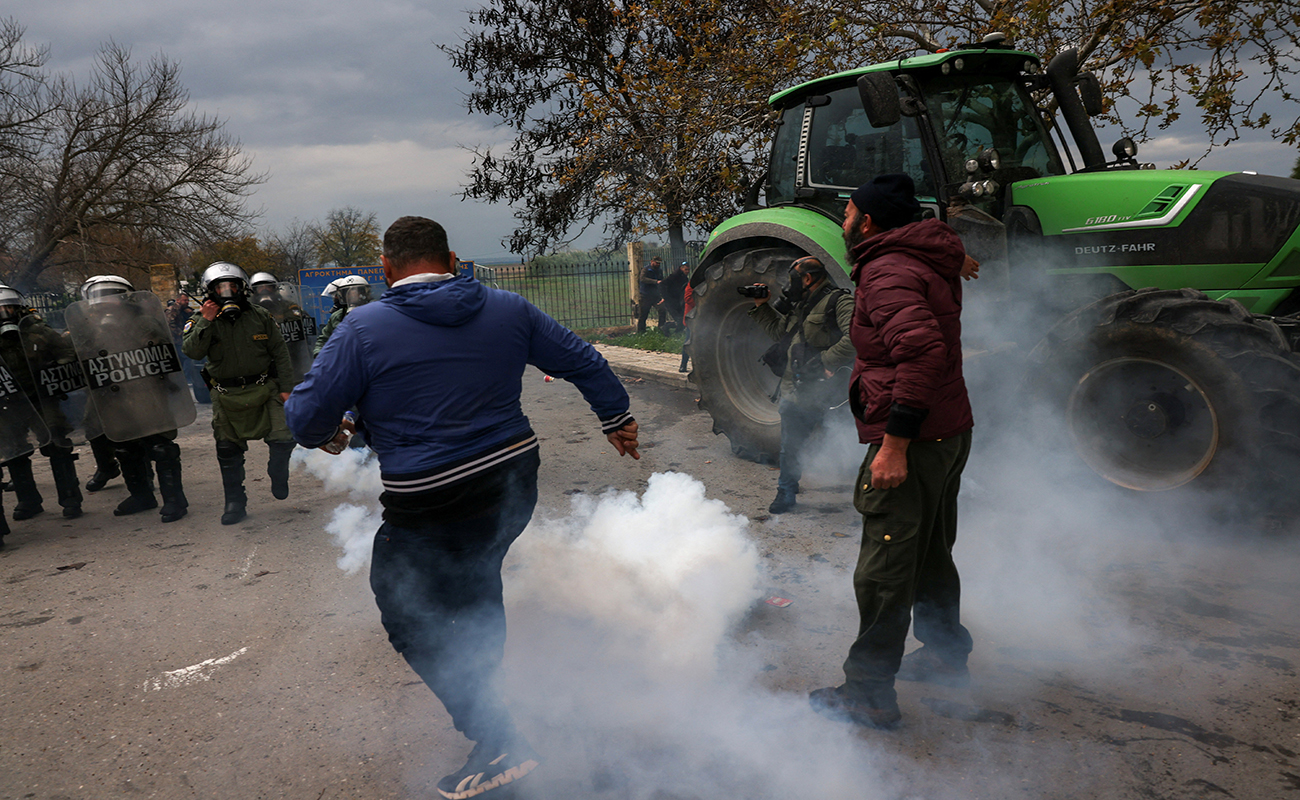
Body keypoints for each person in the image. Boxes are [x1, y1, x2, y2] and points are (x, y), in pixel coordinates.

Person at [285, 215, 640, 800]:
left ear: (386, 269)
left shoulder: (361, 327)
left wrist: (337, 423)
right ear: (452, 261)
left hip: (430, 497)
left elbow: (304, 419)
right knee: (476, 583)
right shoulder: (508, 307)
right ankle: (488, 688)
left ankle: (497, 735)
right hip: (511, 482)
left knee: (406, 613)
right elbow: (582, 358)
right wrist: (615, 417)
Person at [809, 173, 977, 730]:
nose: (844, 220)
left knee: (886, 567)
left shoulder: (887, 272)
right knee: (929, 553)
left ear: (869, 223)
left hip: (916, 439)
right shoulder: (922, 256)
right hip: (948, 429)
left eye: (848, 212)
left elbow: (921, 354)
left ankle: (869, 694)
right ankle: (947, 655)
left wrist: (895, 446)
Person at [182, 262, 297, 525]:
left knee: (283, 438)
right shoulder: (200, 320)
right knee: (227, 449)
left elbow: (280, 353)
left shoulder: (260, 316)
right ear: (210, 292)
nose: (227, 292)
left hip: (264, 388)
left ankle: (278, 474)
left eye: (232, 286)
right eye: (221, 288)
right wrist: (206, 320)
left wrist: (286, 389)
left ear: (242, 288)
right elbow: (192, 352)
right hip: (226, 393)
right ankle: (235, 501)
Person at [746, 256, 855, 514]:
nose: (789, 285)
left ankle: (871, 497)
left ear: (807, 278)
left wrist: (825, 361)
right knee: (790, 445)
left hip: (830, 391)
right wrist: (762, 306)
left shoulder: (839, 301)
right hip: (796, 389)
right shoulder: (801, 305)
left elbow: (856, 336)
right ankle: (786, 491)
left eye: (792, 279)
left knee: (845, 441)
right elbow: (780, 334)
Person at [78, 275, 188, 522]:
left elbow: (162, 352)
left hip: (146, 391)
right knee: (125, 447)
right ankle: (141, 495)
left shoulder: (143, 322)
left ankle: (174, 500)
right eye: (100, 297)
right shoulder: (89, 326)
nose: (105, 302)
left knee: (160, 446)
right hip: (113, 394)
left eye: (111, 296)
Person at [0, 284, 83, 519]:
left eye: (8, 308)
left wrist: (54, 371)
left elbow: (66, 353)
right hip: (9, 403)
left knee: (58, 444)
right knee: (14, 451)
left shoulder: (38, 331)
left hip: (41, 397)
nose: (4, 313)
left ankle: (70, 498)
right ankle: (28, 501)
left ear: (18, 308)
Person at [166, 292, 211, 405]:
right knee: (186, 358)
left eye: (187, 300)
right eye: (184, 300)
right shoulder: (173, 310)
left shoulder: (184, 310)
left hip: (182, 339)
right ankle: (186, 379)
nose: (186, 302)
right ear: (178, 300)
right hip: (177, 340)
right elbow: (170, 324)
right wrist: (181, 334)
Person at [312, 275, 371, 355]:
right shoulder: (337, 316)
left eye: (357, 292)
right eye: (347, 293)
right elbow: (324, 339)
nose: (352, 296)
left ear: (365, 293)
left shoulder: (374, 313)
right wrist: (319, 354)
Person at [634, 256, 666, 333]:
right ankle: (641, 331)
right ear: (652, 261)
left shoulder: (659, 271)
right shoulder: (645, 270)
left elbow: (661, 280)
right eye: (656, 263)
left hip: (656, 295)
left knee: (662, 310)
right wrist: (655, 281)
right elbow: (642, 279)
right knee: (643, 314)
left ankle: (662, 328)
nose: (658, 264)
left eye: (659, 263)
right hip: (645, 295)